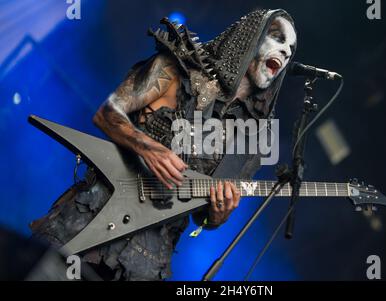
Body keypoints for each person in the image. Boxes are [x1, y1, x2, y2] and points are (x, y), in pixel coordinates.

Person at [30, 8, 297, 280]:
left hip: (147, 260)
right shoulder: (176, 69)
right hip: (92, 215)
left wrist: (218, 216)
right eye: (278, 38)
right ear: (250, 37)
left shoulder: (250, 137)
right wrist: (146, 147)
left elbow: (201, 219)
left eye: (291, 48)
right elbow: (107, 113)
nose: (286, 51)